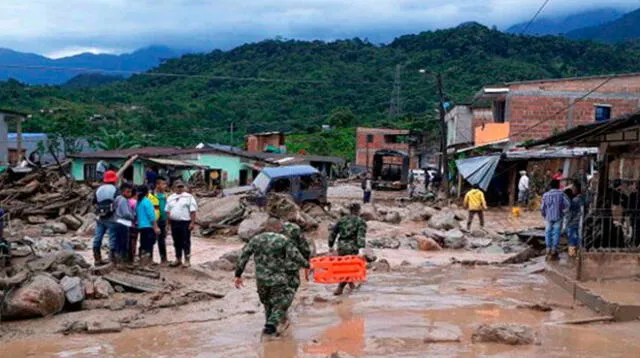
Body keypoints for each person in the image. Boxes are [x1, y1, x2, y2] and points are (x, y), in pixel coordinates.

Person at [234, 219, 310, 337]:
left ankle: (269, 330)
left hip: (261, 279)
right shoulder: (283, 240)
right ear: (278, 227)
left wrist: (238, 275)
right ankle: (272, 323)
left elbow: (243, 256)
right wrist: (307, 265)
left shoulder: (255, 239)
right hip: (278, 278)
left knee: (267, 303)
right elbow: (295, 256)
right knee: (284, 299)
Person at [329, 202, 367, 296]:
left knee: (344, 267)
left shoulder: (342, 220)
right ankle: (340, 288)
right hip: (352, 247)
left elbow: (333, 233)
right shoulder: (360, 221)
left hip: (341, 246)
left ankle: (351, 284)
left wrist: (330, 245)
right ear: (358, 210)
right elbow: (360, 236)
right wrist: (361, 248)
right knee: (349, 268)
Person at [166, 180, 198, 268]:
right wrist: (168, 224)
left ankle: (187, 260)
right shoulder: (170, 198)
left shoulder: (189, 197)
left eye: (181, 187)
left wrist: (192, 222)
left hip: (185, 222)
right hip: (174, 222)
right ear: (174, 188)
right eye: (178, 187)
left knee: (186, 241)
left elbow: (193, 211)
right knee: (176, 241)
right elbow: (168, 212)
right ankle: (178, 259)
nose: (180, 189)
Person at [93, 170, 119, 265]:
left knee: (98, 237)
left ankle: (97, 258)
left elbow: (94, 203)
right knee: (112, 237)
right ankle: (112, 259)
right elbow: (118, 202)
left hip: (100, 217)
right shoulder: (115, 190)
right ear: (114, 180)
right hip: (111, 216)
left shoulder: (98, 189)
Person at [541, 180, 570, 261]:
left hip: (548, 217)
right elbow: (567, 205)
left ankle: (548, 248)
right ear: (558, 186)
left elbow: (542, 207)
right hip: (558, 216)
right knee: (556, 232)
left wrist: (544, 215)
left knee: (548, 232)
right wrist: (563, 212)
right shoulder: (561, 194)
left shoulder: (545, 195)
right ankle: (554, 249)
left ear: (550, 186)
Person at [282, 222, 311, 296]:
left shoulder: (271, 227)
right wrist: (306, 259)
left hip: (273, 264)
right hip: (291, 262)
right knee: (293, 284)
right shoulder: (294, 228)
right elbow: (303, 246)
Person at [135, 185, 160, 266]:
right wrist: (156, 227)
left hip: (141, 227)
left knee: (143, 244)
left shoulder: (138, 202)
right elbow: (151, 216)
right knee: (148, 245)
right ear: (147, 193)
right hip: (148, 227)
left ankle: (142, 262)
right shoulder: (147, 201)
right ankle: (146, 264)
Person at [112, 183, 135, 266]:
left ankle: (117, 261)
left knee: (118, 242)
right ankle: (122, 262)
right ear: (122, 192)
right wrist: (133, 216)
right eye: (128, 192)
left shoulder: (117, 198)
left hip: (117, 221)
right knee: (124, 243)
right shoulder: (123, 200)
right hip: (123, 223)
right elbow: (126, 213)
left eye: (130, 192)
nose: (130, 194)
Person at [152, 177, 169, 265]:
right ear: (157, 185)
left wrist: (167, 223)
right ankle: (149, 259)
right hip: (153, 221)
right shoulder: (151, 195)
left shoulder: (166, 196)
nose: (165, 186)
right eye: (163, 184)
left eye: (165, 184)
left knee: (162, 240)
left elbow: (168, 209)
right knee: (151, 240)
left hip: (163, 220)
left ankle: (164, 259)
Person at [566, 184, 584, 258]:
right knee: (579, 237)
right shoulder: (583, 198)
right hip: (581, 222)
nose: (572, 190)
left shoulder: (574, 201)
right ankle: (580, 253)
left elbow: (570, 214)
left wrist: (567, 223)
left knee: (572, 239)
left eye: (573, 189)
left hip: (573, 222)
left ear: (576, 190)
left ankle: (572, 254)